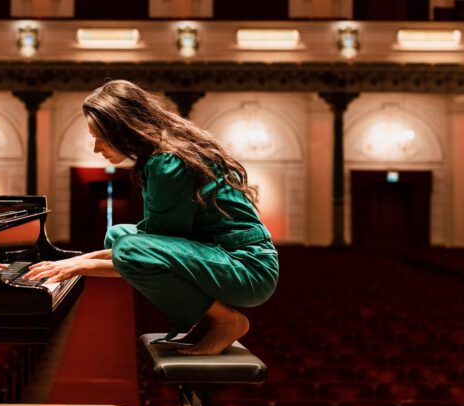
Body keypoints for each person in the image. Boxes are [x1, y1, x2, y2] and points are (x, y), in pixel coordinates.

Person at [22, 80, 279, 356]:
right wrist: (72, 261)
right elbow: (148, 245)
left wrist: (75, 268)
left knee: (127, 246)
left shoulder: (168, 162)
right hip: (225, 258)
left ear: (122, 129)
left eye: (99, 136)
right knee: (119, 235)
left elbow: (140, 254)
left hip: (248, 269)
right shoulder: (164, 154)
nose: (96, 148)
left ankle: (227, 321)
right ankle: (208, 319)